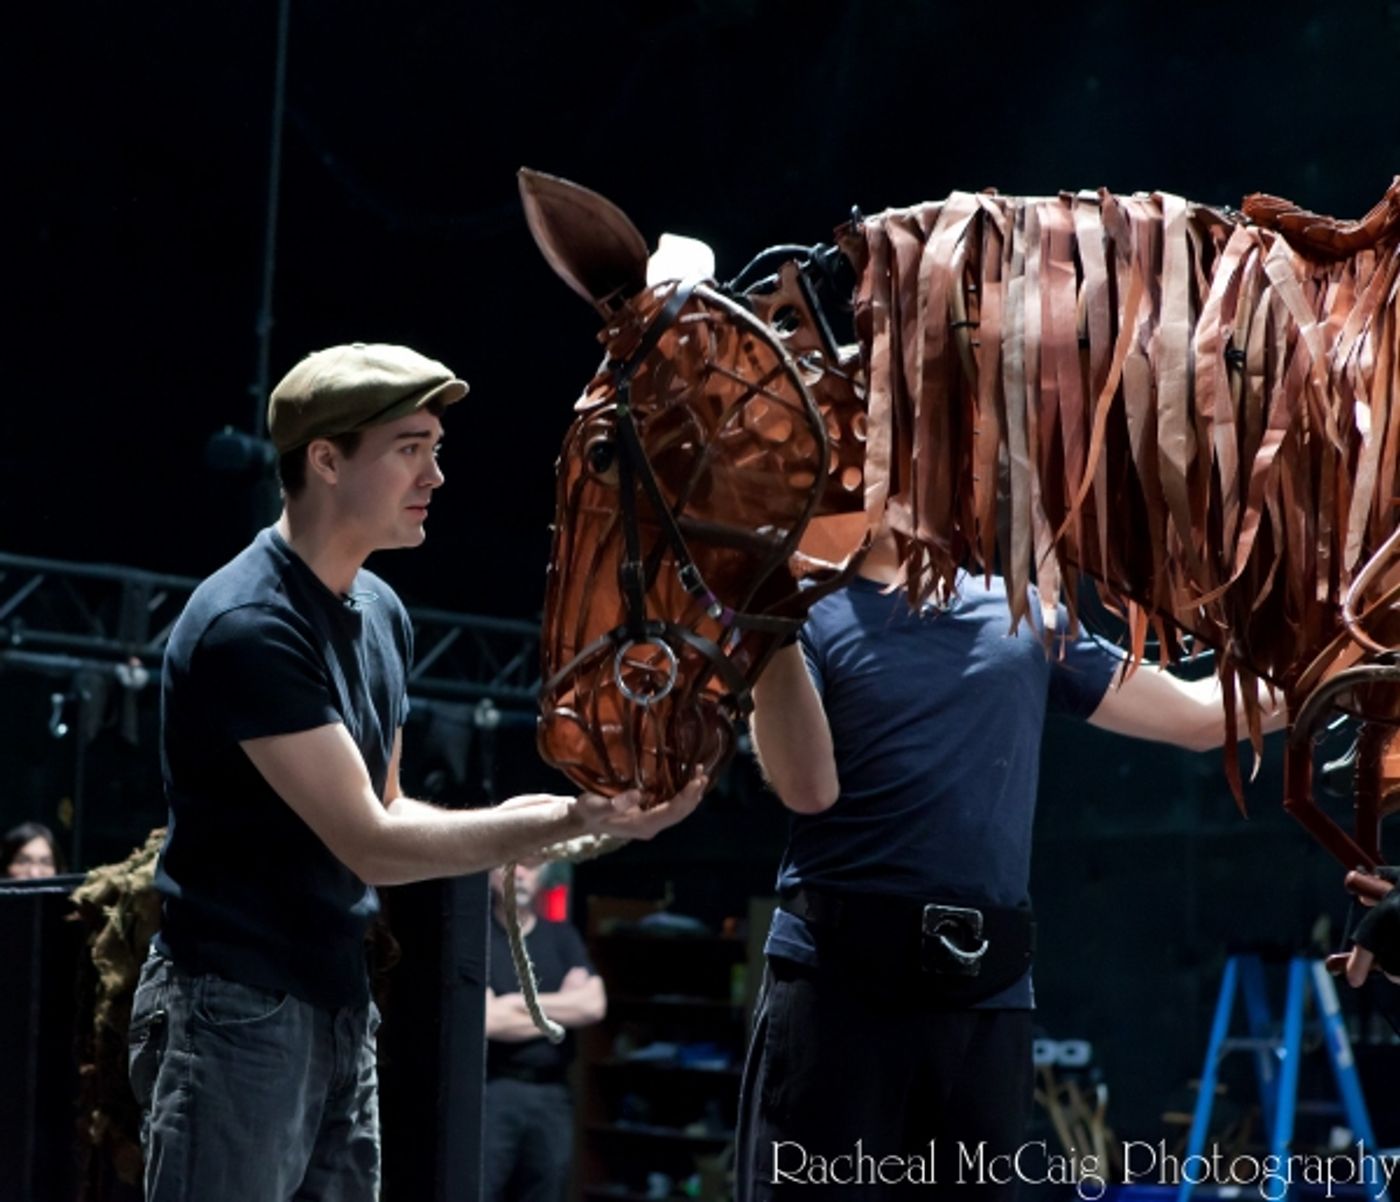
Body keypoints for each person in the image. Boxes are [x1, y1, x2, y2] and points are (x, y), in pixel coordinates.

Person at [127, 342, 706, 1202]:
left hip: (337, 998)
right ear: (325, 459)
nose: (435, 473)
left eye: (437, 447)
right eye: (409, 447)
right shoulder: (249, 624)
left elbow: (388, 806)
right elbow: (373, 843)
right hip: (234, 1008)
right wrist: (570, 816)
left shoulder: (382, 611)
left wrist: (587, 815)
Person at [737, 527, 1284, 1201]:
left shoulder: (1023, 612)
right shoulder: (806, 614)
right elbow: (808, 788)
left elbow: (1202, 718)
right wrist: (767, 629)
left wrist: (1339, 655)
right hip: (840, 992)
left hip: (983, 1000)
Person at [483, 860, 604, 1202]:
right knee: (481, 1188)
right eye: (509, 863)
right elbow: (489, 1021)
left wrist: (513, 1003)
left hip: (551, 1093)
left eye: (531, 864)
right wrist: (562, 1010)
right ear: (490, 871)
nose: (520, 873)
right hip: (494, 1091)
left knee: (547, 1191)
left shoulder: (561, 937)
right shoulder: (479, 938)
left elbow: (593, 1005)